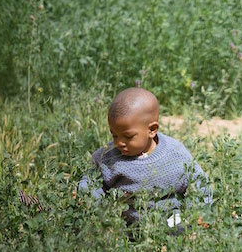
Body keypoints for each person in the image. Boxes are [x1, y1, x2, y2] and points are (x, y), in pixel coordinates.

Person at [79, 87, 213, 230]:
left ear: (152, 130)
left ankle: (171, 240)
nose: (119, 143)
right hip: (124, 222)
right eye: (114, 135)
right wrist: (87, 197)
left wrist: (199, 210)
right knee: (99, 229)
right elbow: (91, 179)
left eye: (128, 136)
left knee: (179, 227)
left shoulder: (175, 154)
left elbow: (199, 182)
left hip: (168, 218)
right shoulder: (108, 156)